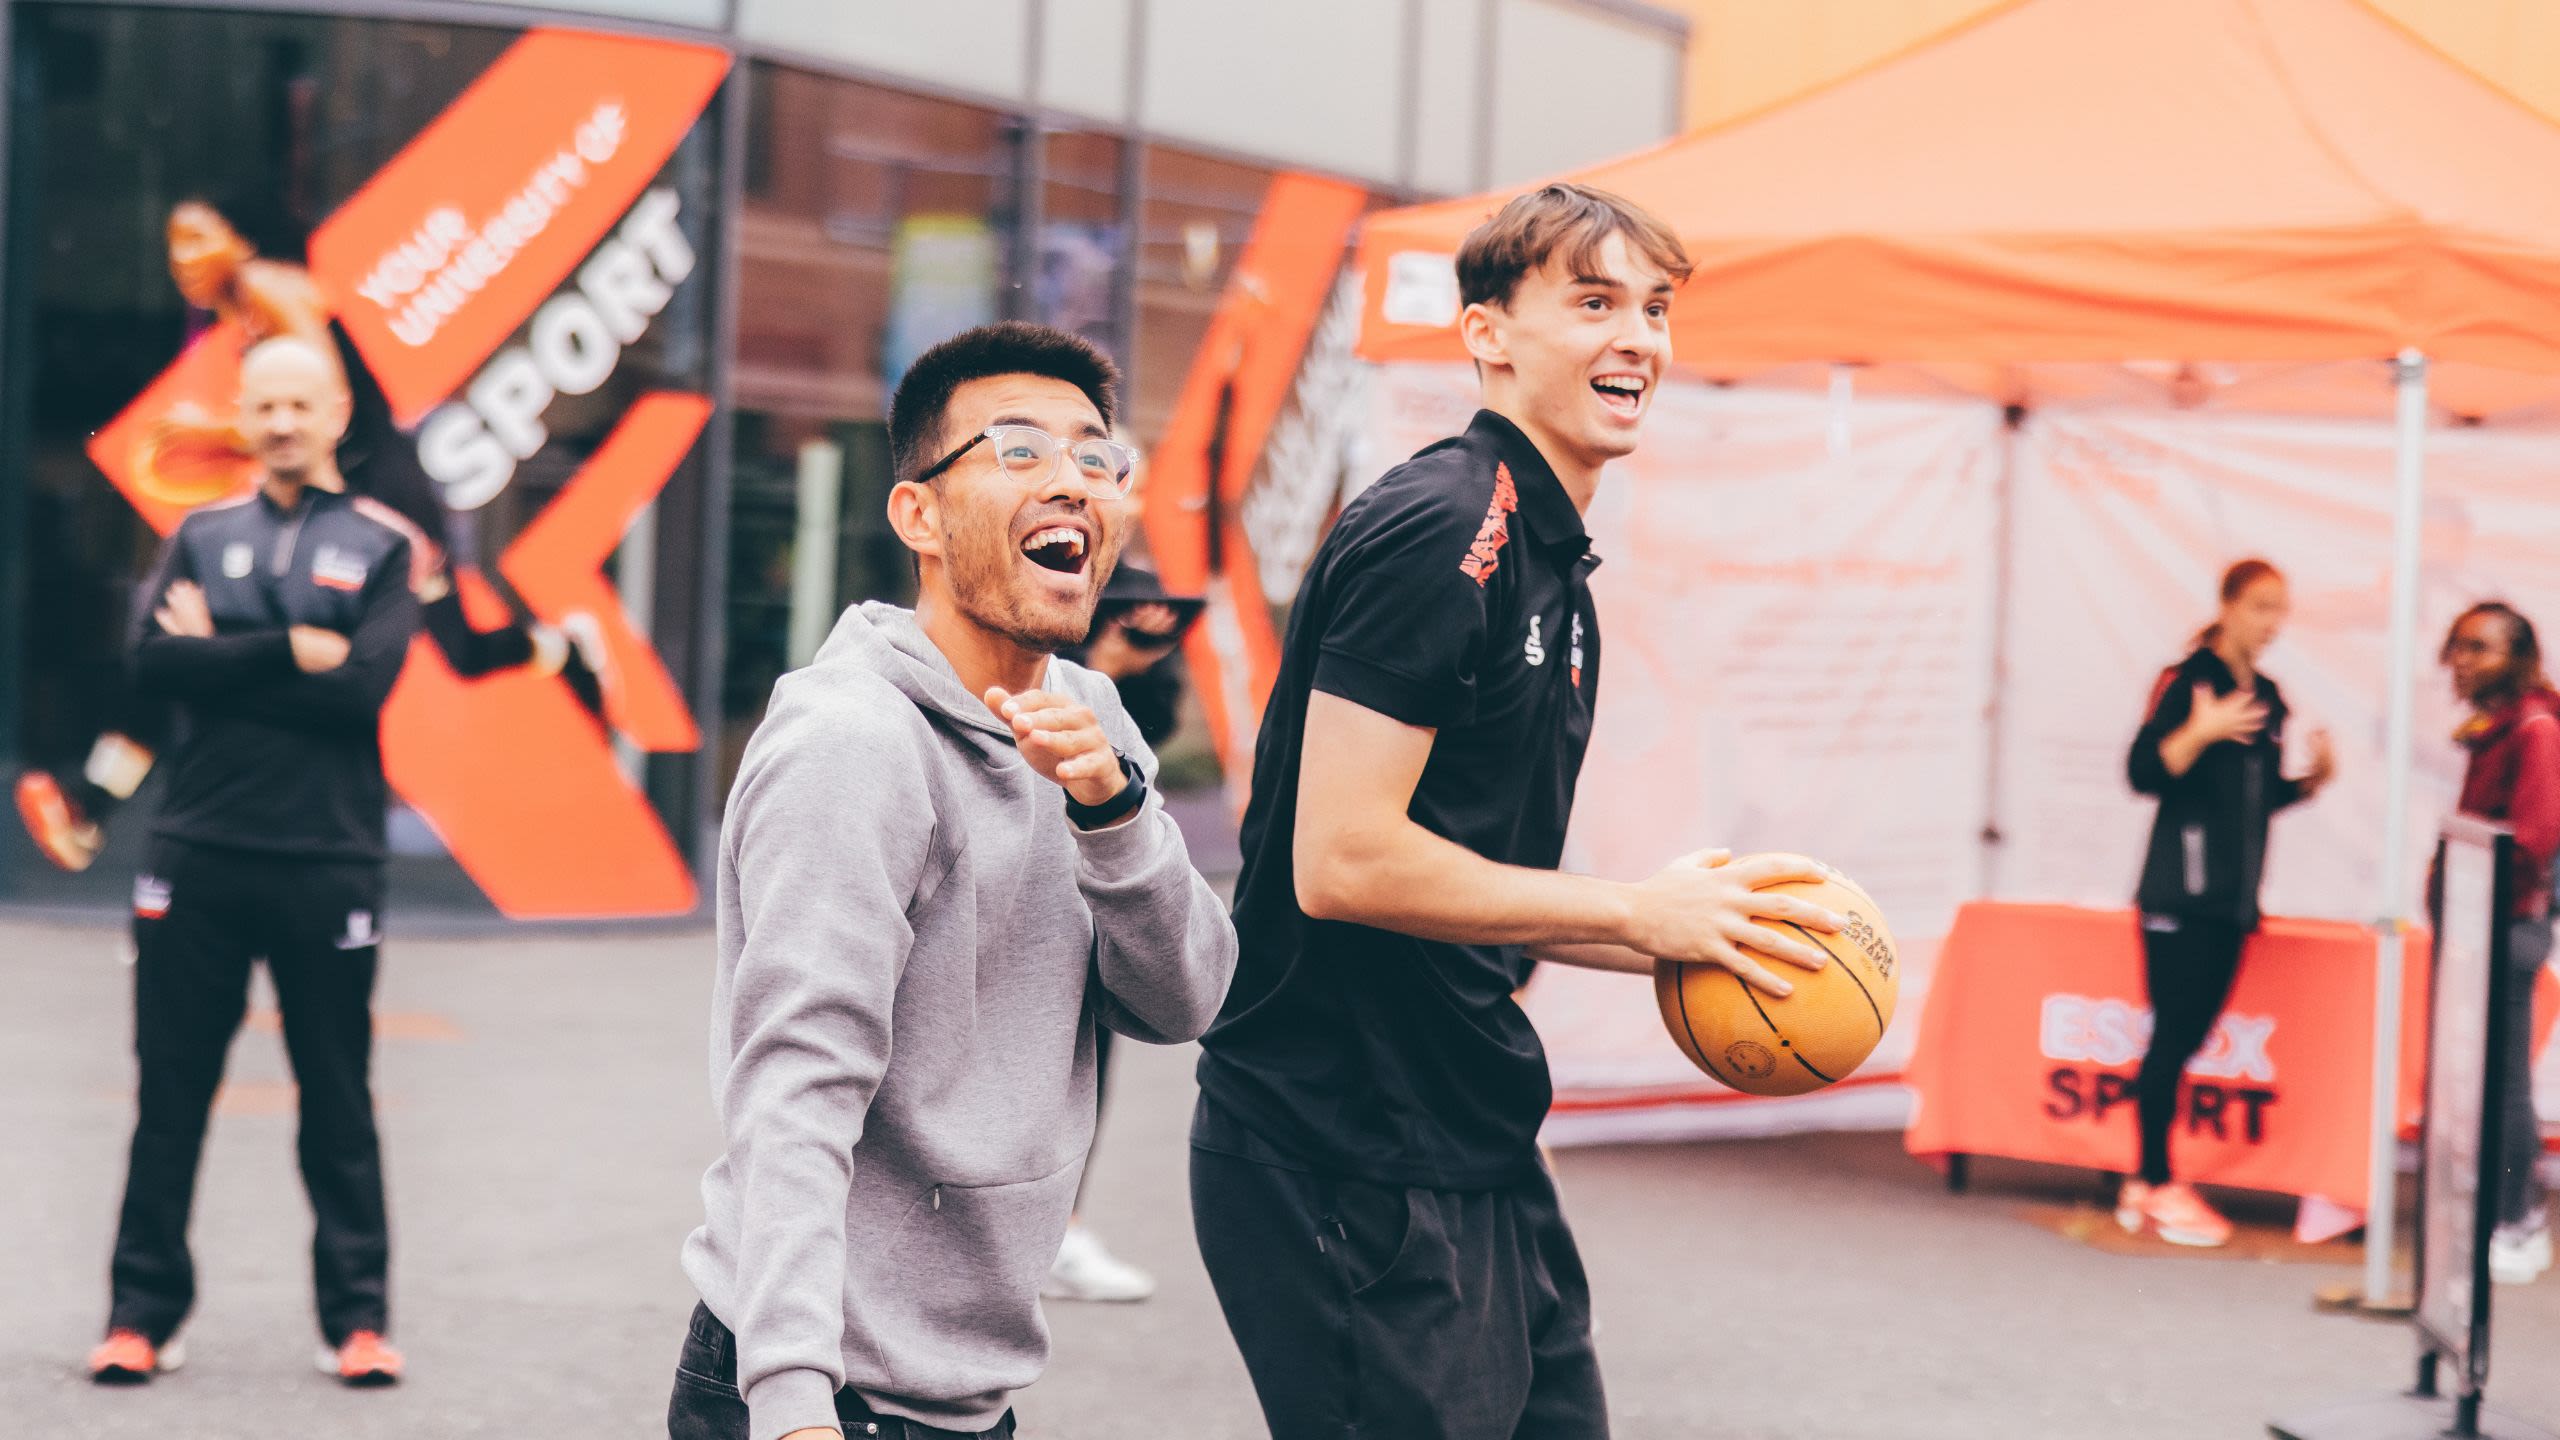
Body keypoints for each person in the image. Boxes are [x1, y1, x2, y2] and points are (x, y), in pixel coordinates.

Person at [1189, 183, 1846, 1440]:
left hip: (1468, 1130)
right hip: (1343, 1143)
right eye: (1592, 303)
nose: (1638, 339)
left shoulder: (1551, 559)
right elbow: (1341, 859)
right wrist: (1635, 910)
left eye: (1654, 309)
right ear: (1486, 334)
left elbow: (1467, 880)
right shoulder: (1444, 531)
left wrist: (1697, 928)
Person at [670, 321, 1237, 1440]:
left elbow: (1189, 1002)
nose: (1070, 480)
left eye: (1095, 456)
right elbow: (794, 1084)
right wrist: (790, 1407)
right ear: (917, 515)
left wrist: (1114, 818)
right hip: (819, 1390)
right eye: (1018, 452)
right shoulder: (855, 743)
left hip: (968, 1391)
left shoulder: (1092, 717)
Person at [16, 199, 604, 874]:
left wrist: (210, 434)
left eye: (198, 236)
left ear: (240, 240)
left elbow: (314, 406)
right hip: (324, 506)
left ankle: (568, 649)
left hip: (386, 499)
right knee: (193, 637)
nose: (182, 256)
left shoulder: (271, 287)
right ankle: (92, 807)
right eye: (173, 241)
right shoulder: (243, 310)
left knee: (461, 653)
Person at [89, 337, 421, 1387]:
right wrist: (286, 649)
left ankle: (357, 1323)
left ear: (334, 415)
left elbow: (362, 691)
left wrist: (217, 655)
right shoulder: (199, 532)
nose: (281, 421)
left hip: (327, 859)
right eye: (264, 404)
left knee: (337, 1098)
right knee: (170, 1096)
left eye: (299, 403)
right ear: (243, 413)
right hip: (196, 857)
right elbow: (149, 663)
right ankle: (141, 1315)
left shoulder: (382, 547)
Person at [2118, 559, 2336, 1247]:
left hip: (2231, 903)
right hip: (2177, 897)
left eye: (2281, 609)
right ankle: (2154, 1180)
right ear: (2229, 605)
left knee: (2187, 1036)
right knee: (2172, 1038)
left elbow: (2260, 796)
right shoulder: (2189, 682)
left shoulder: (2267, 693)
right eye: (2260, 607)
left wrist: (2310, 783)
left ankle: (2147, 1180)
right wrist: (2200, 731)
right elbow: (2143, 771)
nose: (2271, 623)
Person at [1043, 550, 1200, 1305]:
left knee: (1086, 1059)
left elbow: (1151, 737)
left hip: (1096, 884)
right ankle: (1041, 1235)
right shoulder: (1038, 646)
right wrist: (1099, 655)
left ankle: (1059, 1231)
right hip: (1032, 875)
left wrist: (1132, 663)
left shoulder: (1136, 683)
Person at [2440, 601, 2559, 1285]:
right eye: (2458, 645)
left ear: (2518, 655)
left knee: (2507, 1083)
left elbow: (2534, 836)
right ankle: (2504, 1210)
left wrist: (2472, 885)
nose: (2463, 658)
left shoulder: (2535, 729)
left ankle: (2520, 1217)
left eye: (2480, 647)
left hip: (2508, 924)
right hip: (2486, 922)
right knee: (2490, 1078)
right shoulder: (2499, 728)